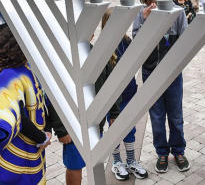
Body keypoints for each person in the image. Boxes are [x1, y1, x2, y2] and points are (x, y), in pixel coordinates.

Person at [132, 0, 190, 173]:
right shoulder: (141, 14)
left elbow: (185, 42)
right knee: (156, 116)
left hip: (172, 72)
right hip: (150, 71)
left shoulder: (178, 12)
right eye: (148, 2)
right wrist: (147, 23)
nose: (152, 6)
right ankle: (162, 153)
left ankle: (178, 151)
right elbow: (137, 44)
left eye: (154, 1)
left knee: (175, 115)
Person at [47, 36, 122, 184]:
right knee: (75, 165)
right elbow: (55, 96)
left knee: (95, 162)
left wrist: (114, 112)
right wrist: (61, 130)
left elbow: (112, 86)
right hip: (73, 125)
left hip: (95, 121)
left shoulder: (101, 56)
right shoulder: (62, 59)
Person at [0, 20, 52, 185]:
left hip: (32, 154)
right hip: (17, 160)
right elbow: (8, 122)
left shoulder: (26, 68)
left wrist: (46, 132)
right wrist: (41, 136)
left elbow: (44, 101)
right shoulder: (9, 75)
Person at [102, 8, 149, 181]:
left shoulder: (127, 41)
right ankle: (116, 162)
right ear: (108, 23)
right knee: (114, 129)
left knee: (130, 127)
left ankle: (130, 160)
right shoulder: (104, 47)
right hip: (112, 99)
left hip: (129, 93)